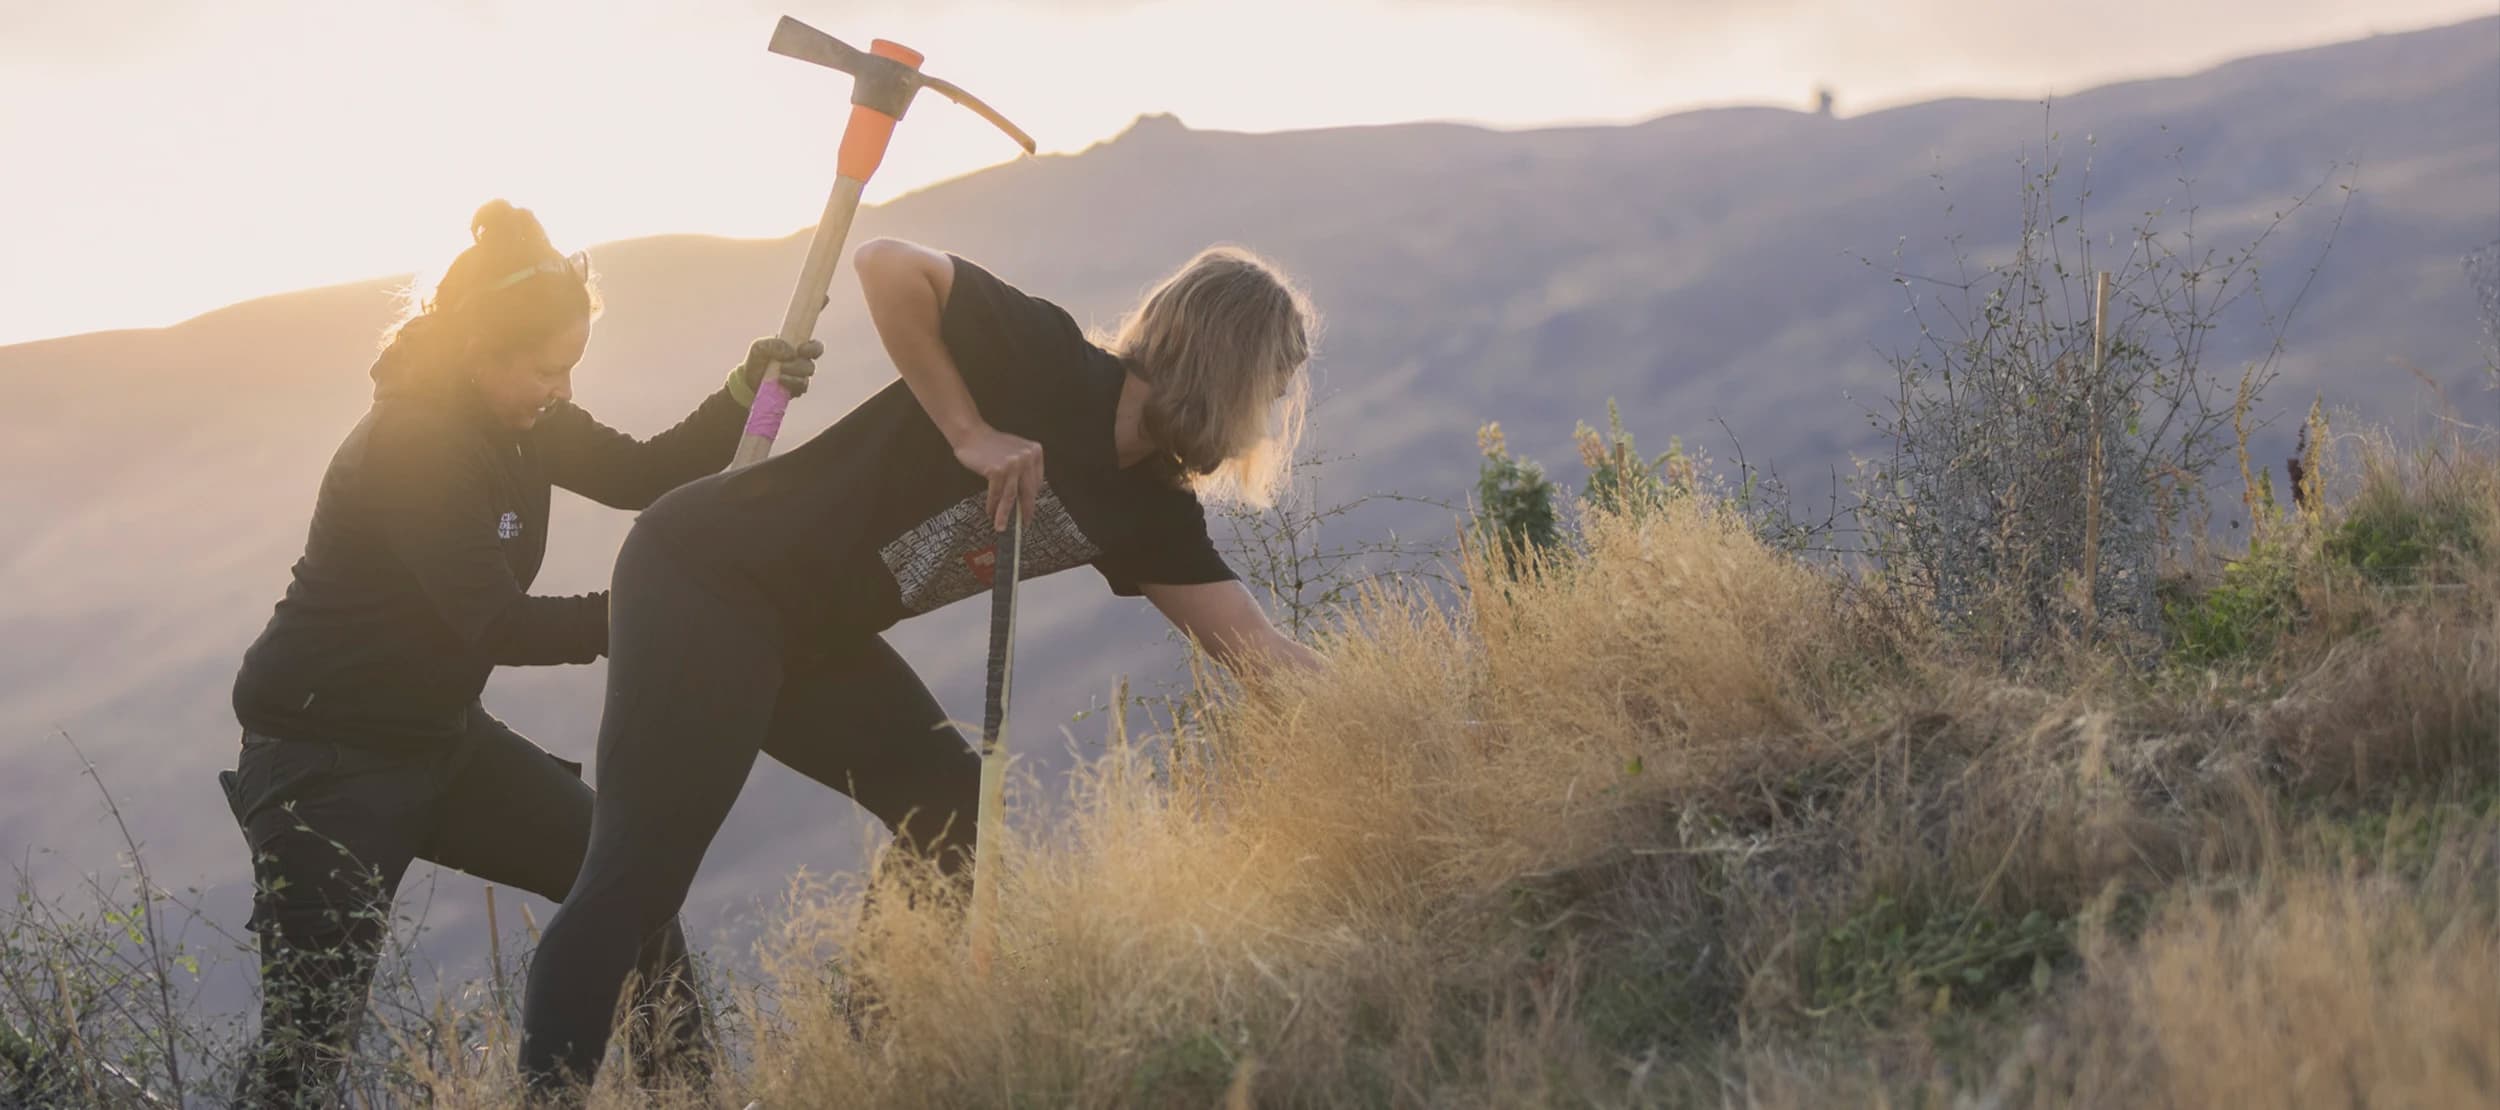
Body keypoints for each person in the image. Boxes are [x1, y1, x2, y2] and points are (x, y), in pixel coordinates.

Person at [516, 238, 1326, 1091]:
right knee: (638, 874)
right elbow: (885, 264)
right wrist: (970, 433)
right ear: (1226, 365)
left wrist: (1416, 718)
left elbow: (1260, 654)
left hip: (806, 636)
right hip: (707, 577)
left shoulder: (1148, 507)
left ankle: (852, 1070)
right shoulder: (1048, 360)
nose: (1266, 419)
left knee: (953, 810)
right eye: (1269, 390)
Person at [220, 199, 819, 1107]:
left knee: (632, 888)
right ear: (478, 353)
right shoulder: (412, 447)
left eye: (572, 366)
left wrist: (752, 391)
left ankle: (686, 1095)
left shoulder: (524, 422)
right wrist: (656, 609)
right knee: (307, 1061)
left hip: (438, 738)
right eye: (547, 368)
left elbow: (644, 471)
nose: (564, 389)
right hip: (323, 764)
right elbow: (501, 626)